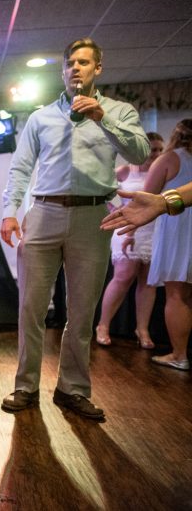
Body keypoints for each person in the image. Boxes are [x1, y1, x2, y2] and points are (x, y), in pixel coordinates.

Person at [0, 38, 149, 419]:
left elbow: (140, 154)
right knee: (31, 308)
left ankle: (72, 390)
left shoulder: (119, 111)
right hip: (44, 212)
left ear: (98, 68)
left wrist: (103, 118)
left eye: (83, 62)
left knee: (81, 312)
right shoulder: (41, 117)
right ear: (63, 70)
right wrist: (10, 211)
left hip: (92, 217)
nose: (75, 68)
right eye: (69, 63)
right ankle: (25, 386)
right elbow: (20, 168)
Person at [110, 119, 191, 371]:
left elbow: (148, 202)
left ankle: (178, 353)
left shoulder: (169, 160)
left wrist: (132, 226)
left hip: (176, 225)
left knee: (176, 293)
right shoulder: (128, 170)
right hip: (167, 220)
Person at [95, 132, 164, 348]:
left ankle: (141, 329)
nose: (157, 154)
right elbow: (103, 188)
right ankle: (103, 325)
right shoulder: (125, 171)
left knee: (148, 281)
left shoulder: (162, 172)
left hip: (155, 229)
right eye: (153, 149)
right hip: (127, 227)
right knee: (123, 276)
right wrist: (115, 208)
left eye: (161, 150)